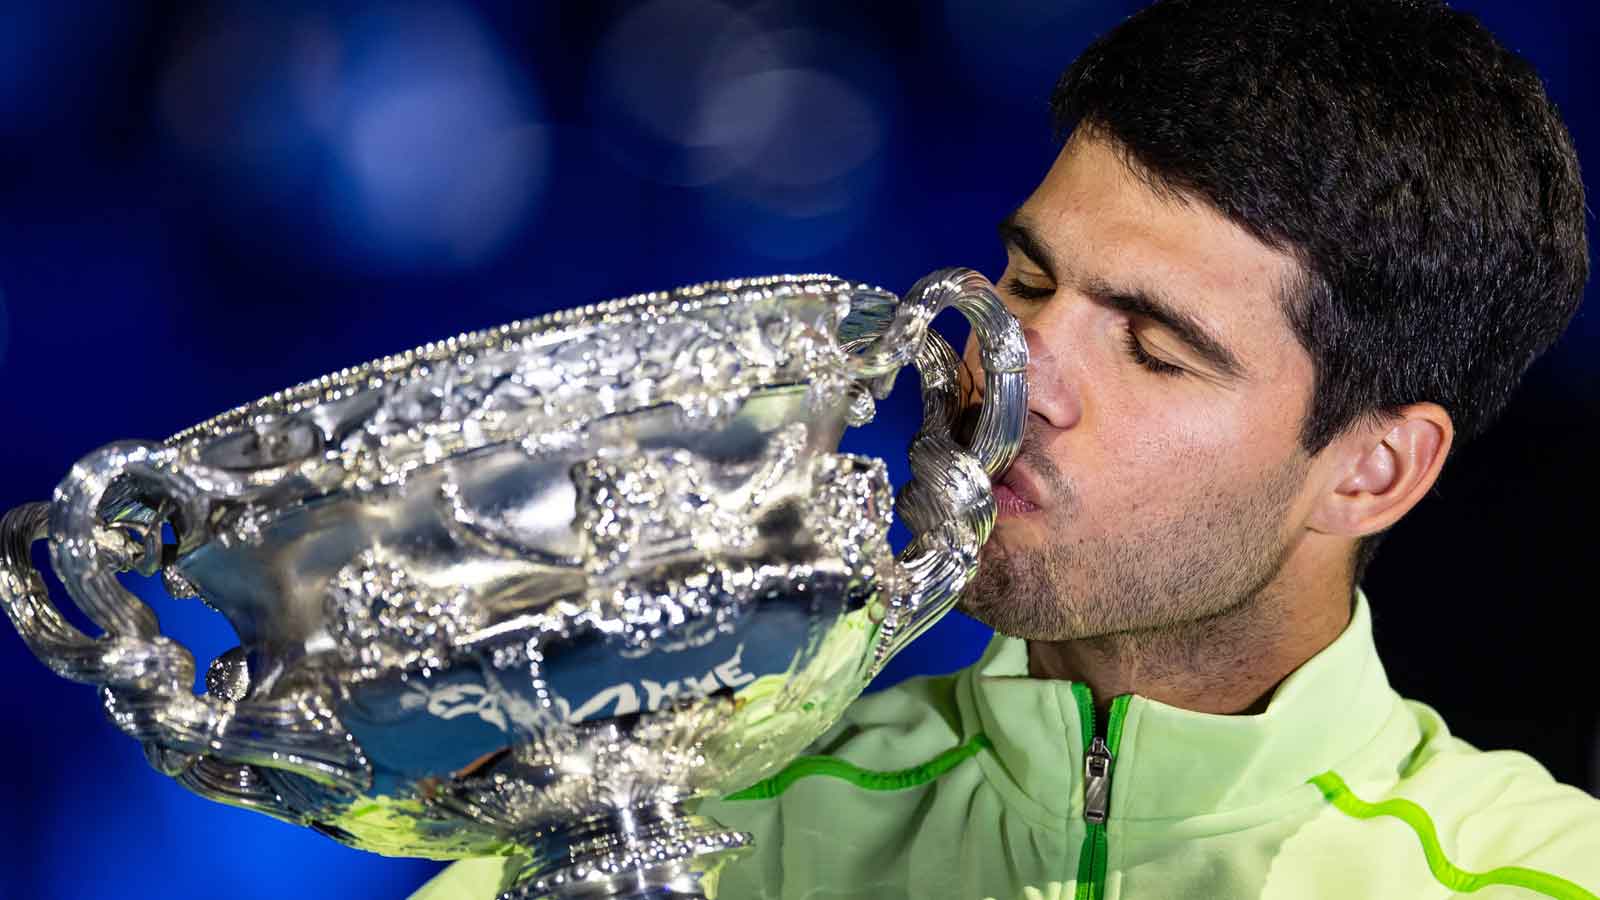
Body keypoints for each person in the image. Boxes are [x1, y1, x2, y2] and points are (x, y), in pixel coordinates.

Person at [414, 0, 1595, 897]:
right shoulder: (701, 825)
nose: (1012, 373)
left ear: (1370, 470)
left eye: (1156, 348)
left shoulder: (1539, 876)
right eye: (1027, 280)